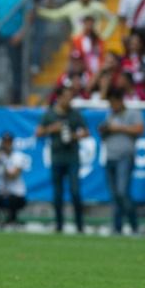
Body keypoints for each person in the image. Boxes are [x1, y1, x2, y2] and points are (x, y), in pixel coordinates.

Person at [36, 84, 89, 234]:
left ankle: (79, 225)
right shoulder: (50, 114)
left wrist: (75, 136)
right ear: (59, 98)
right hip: (57, 158)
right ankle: (59, 225)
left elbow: (86, 132)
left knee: (75, 191)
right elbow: (38, 132)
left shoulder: (74, 114)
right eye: (66, 96)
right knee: (57, 194)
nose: (69, 99)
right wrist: (51, 129)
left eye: (70, 97)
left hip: (72, 158)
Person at [99, 88, 145, 235]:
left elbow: (139, 129)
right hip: (110, 157)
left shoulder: (133, 113)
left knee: (122, 192)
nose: (111, 106)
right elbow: (106, 132)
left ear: (120, 101)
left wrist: (118, 128)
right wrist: (105, 130)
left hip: (125, 157)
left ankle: (134, 226)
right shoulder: (110, 115)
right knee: (114, 195)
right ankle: (117, 227)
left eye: (113, 103)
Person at [0, 132, 27, 225]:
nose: (6, 144)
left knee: (12, 200)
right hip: (1, 192)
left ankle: (11, 220)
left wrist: (2, 162)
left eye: (8, 142)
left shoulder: (18, 156)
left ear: (12, 143)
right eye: (4, 142)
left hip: (16, 194)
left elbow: (13, 176)